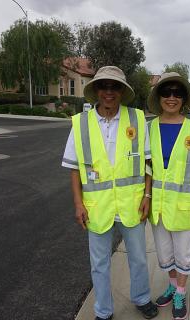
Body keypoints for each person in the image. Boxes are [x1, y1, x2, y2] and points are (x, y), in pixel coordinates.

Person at [61, 66, 158, 320]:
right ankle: (103, 311)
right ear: (96, 91)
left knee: (138, 258)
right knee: (99, 264)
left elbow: (148, 163)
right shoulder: (80, 123)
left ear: (122, 91)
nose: (109, 92)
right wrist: (78, 204)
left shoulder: (137, 119)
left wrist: (147, 196)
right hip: (98, 206)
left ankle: (142, 298)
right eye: (104, 86)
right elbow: (73, 169)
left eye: (114, 87)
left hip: (132, 203)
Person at [147, 72, 190, 320]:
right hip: (159, 207)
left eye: (177, 93)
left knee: (184, 254)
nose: (171, 97)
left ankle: (180, 291)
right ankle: (172, 285)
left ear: (183, 99)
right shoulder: (149, 128)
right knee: (165, 253)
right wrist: (146, 197)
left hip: (184, 206)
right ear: (159, 97)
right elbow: (147, 168)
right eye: (166, 92)